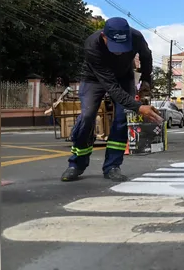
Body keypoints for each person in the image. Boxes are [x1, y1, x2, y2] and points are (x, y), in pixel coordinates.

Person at [61, 17, 163, 182]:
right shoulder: (92, 45)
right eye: (115, 47)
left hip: (124, 77)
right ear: (104, 36)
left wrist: (146, 80)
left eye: (123, 47)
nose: (119, 52)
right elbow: (112, 88)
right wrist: (138, 107)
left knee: (122, 118)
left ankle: (112, 166)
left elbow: (146, 56)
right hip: (94, 79)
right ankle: (76, 164)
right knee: (87, 116)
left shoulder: (136, 37)